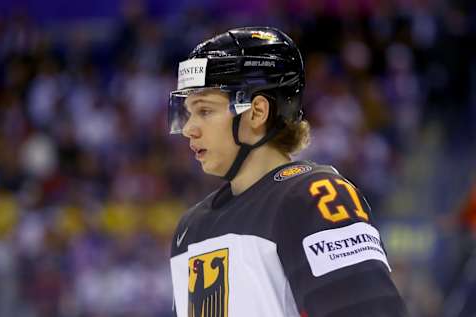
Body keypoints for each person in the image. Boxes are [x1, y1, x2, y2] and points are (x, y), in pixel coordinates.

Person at [168, 26, 408, 317]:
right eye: (189, 112)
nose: (190, 129)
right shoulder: (190, 229)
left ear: (257, 112)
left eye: (205, 110)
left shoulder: (316, 197)